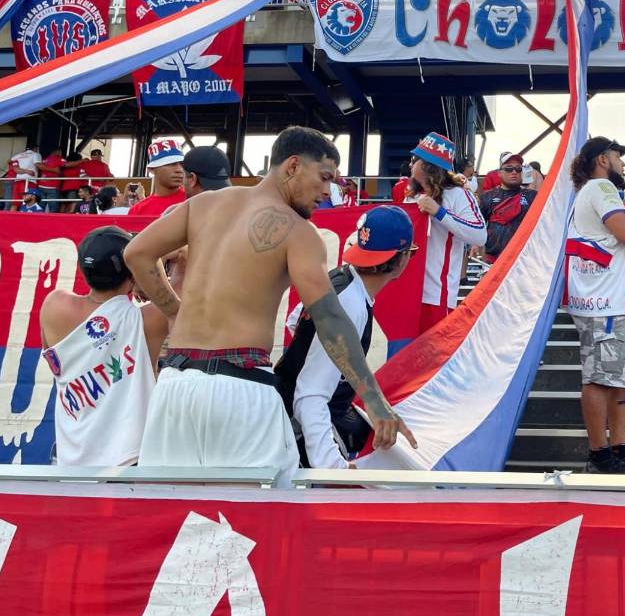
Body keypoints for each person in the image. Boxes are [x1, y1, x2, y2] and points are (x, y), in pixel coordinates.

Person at [124, 126, 415, 484]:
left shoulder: (203, 205)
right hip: (241, 387)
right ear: (292, 166)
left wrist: (175, 311)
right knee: (263, 513)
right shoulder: (299, 232)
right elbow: (328, 317)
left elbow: (137, 253)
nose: (327, 192)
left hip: (176, 385)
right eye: (324, 178)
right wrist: (373, 399)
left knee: (172, 509)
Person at [285, 205, 417, 469]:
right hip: (303, 429)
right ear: (402, 259)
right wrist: (333, 468)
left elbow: (293, 320)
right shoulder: (352, 303)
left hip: (296, 413)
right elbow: (310, 395)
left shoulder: (340, 277)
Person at [39, 226, 167, 466]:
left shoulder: (54, 306)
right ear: (132, 272)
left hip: (72, 461)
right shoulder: (148, 320)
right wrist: (145, 273)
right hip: (128, 461)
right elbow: (182, 288)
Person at [567, 136, 625, 474]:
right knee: (600, 377)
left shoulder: (588, 191)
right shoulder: (601, 188)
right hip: (603, 301)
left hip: (603, 298)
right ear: (603, 159)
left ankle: (619, 448)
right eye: (618, 156)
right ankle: (600, 454)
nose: (622, 163)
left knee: (620, 378)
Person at [407, 132, 487, 331]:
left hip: (436, 295)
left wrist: (439, 213)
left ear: (428, 166)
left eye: (415, 160)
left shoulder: (458, 195)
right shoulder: (410, 196)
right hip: (407, 291)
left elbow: (480, 234)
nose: (410, 165)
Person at [479, 152, 537, 263]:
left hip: (524, 259)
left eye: (518, 169)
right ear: (499, 173)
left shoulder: (533, 196)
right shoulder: (487, 197)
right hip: (494, 259)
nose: (514, 172)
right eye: (509, 169)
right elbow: (478, 225)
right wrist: (474, 246)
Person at [128, 139, 186, 217]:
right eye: (170, 163)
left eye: (182, 164)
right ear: (151, 169)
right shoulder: (137, 210)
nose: (179, 169)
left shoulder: (194, 200)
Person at [8, 143, 43, 209]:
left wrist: (17, 168)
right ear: (35, 148)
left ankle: (11, 216)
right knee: (28, 202)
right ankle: (24, 215)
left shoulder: (20, 155)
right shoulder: (36, 154)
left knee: (15, 203)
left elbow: (9, 161)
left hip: (18, 181)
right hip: (29, 181)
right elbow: (38, 165)